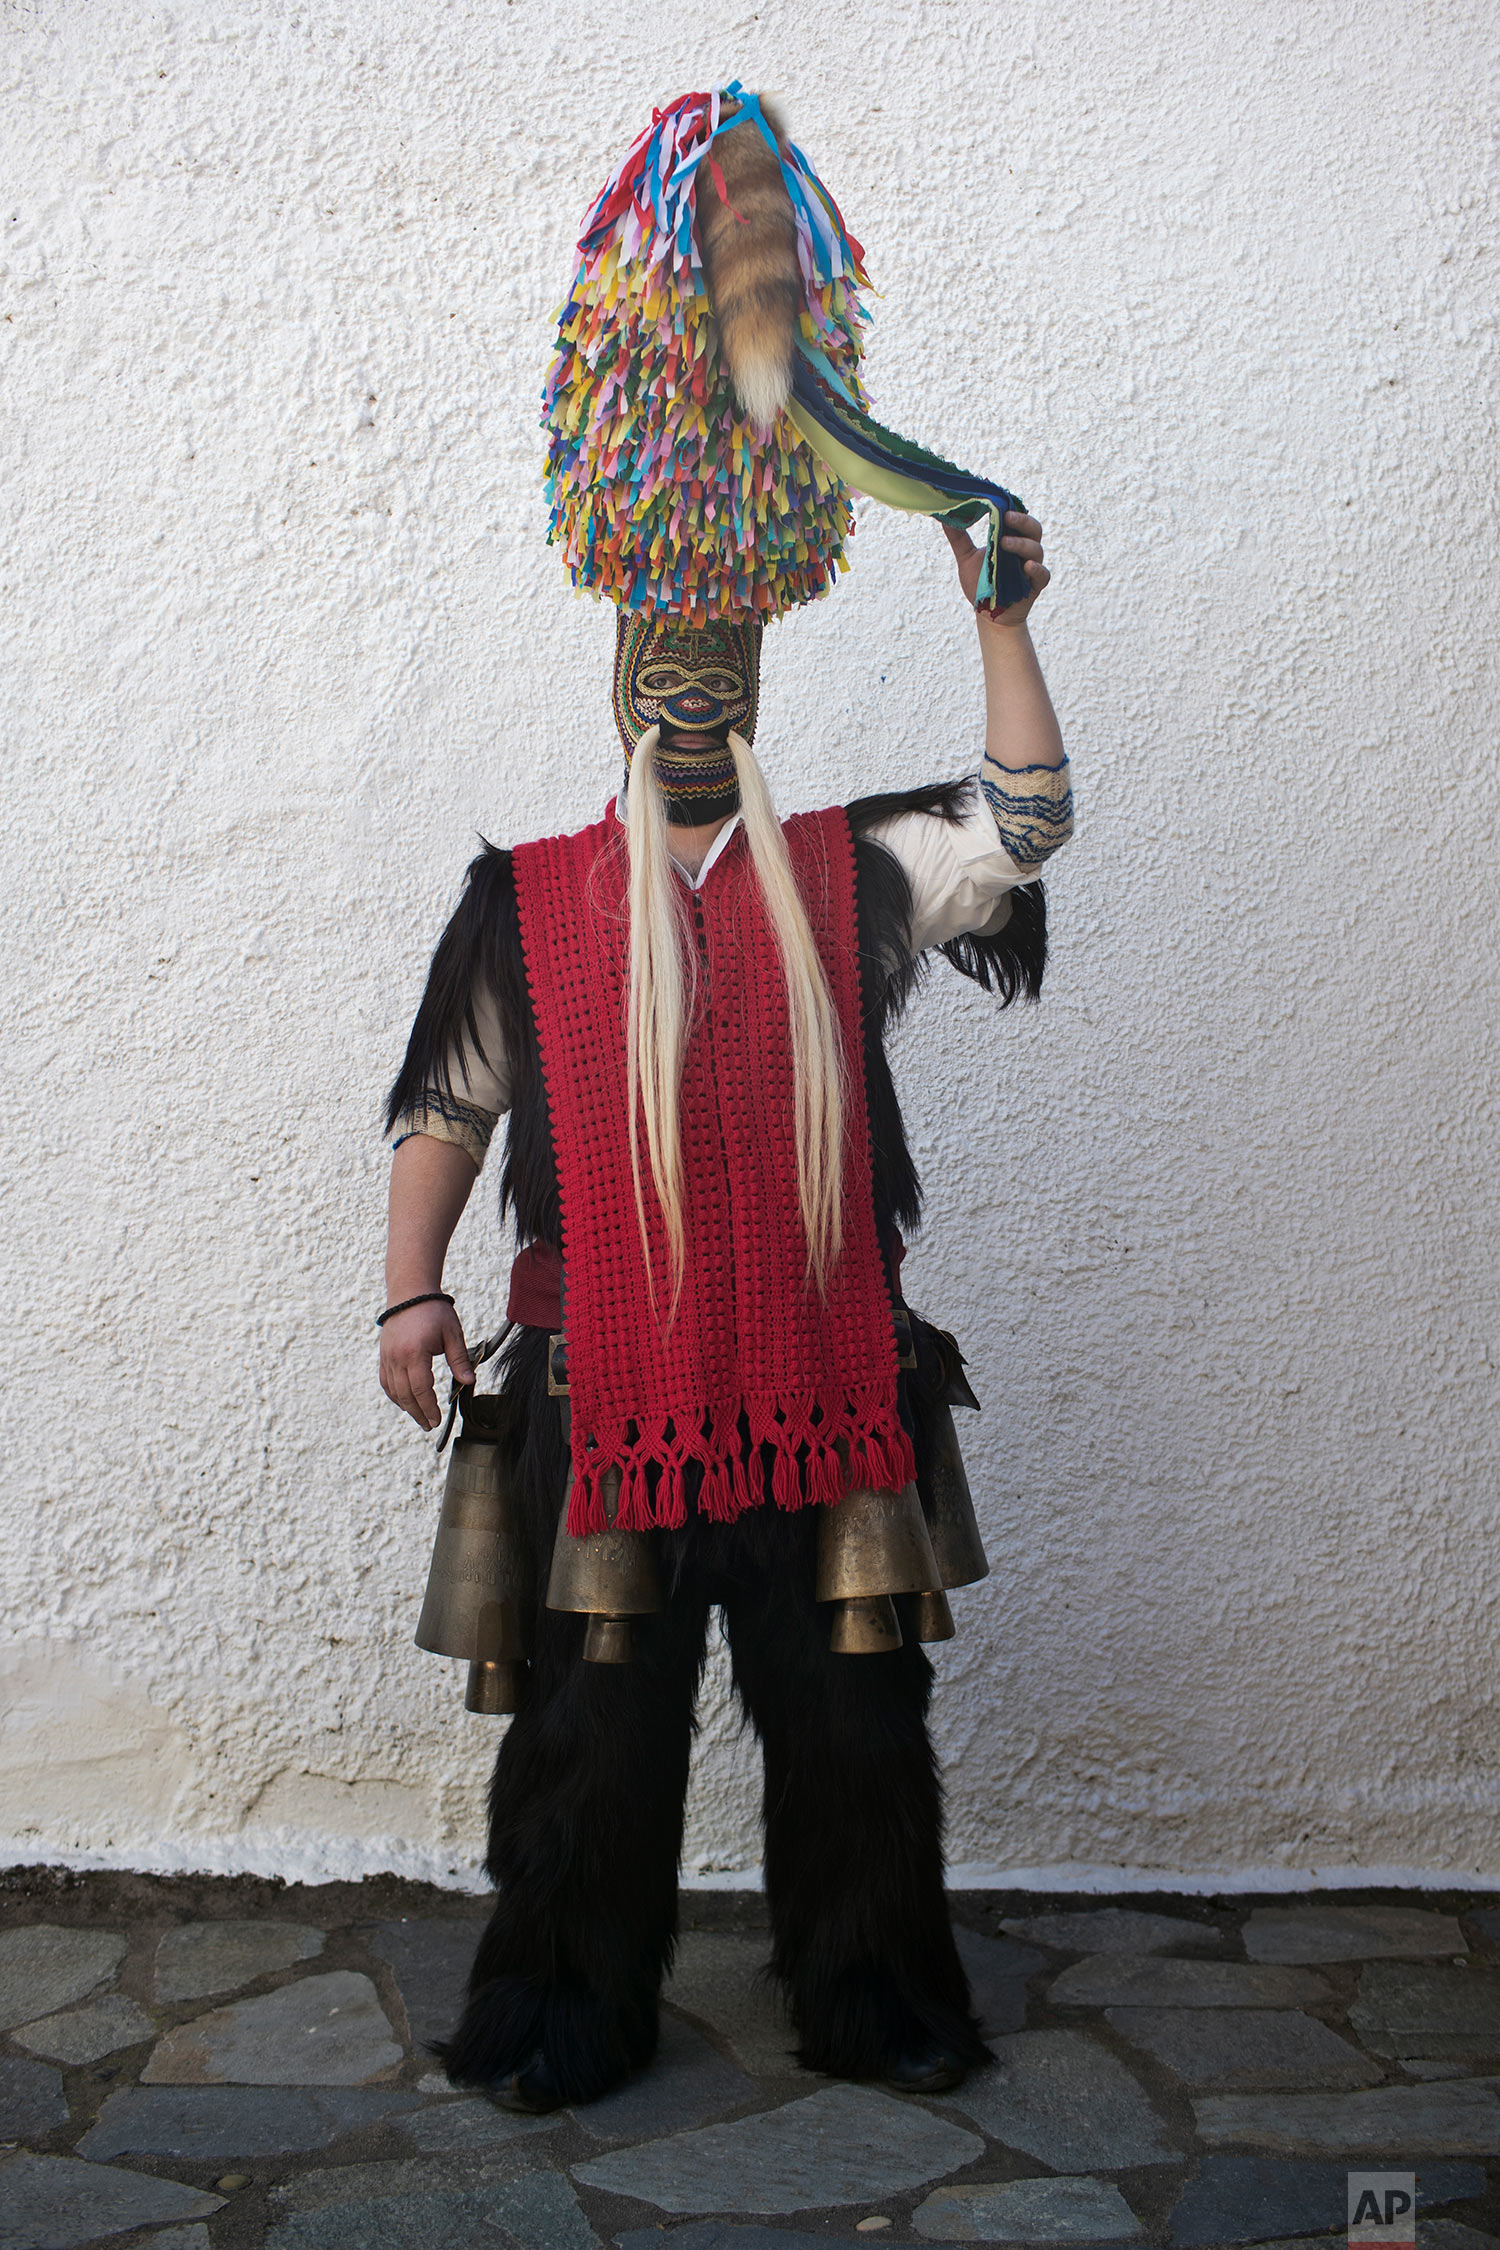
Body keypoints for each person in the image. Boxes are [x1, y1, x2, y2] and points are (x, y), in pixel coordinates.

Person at [377, 86, 1073, 2111]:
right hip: (607, 1385)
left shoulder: (854, 873)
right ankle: (559, 2016)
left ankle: (879, 2001)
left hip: (827, 1376)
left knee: (855, 1723)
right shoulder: (534, 901)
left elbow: (1026, 823)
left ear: (757, 690)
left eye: (721, 679)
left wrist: (1001, 620)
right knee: (595, 1731)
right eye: (660, 675)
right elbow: (452, 1104)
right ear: (617, 680)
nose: (691, 703)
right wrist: (410, 1297)